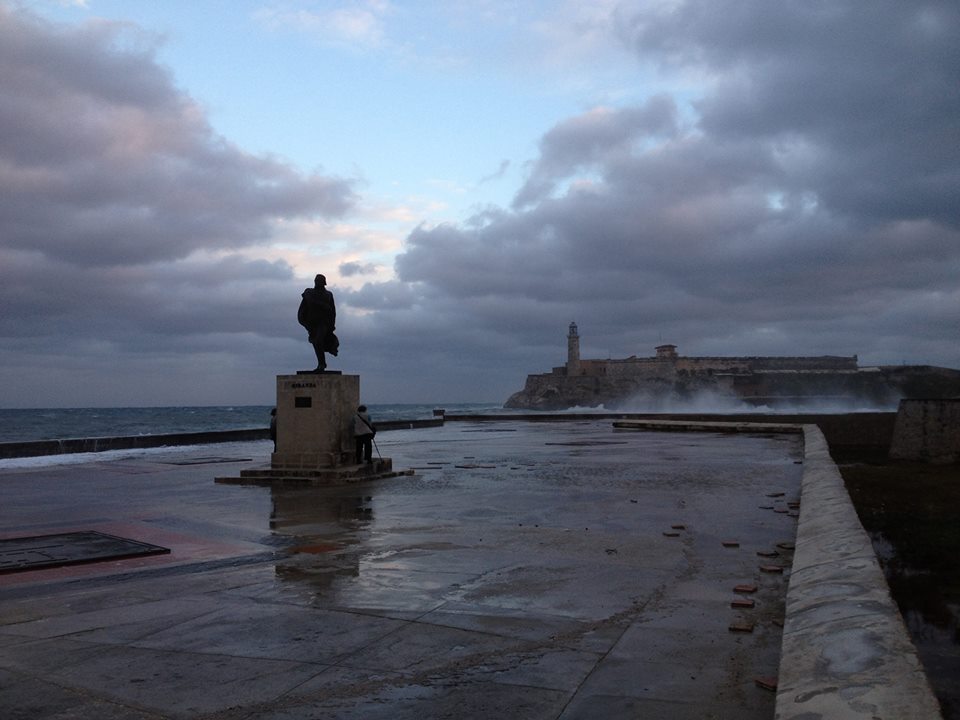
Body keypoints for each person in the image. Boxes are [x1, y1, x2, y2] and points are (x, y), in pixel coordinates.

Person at [297, 274, 338, 372]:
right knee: (316, 342)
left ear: (324, 282)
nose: (317, 282)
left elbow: (333, 311)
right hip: (312, 323)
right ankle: (321, 363)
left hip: (323, 323)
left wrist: (332, 325)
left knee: (318, 341)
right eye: (316, 280)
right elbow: (303, 308)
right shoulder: (309, 293)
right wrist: (304, 322)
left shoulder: (328, 294)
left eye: (319, 281)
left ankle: (322, 364)